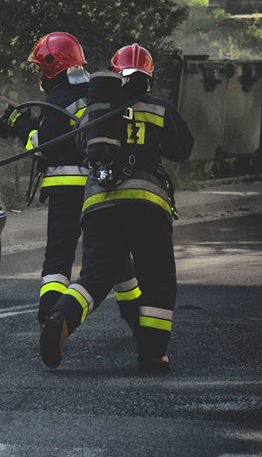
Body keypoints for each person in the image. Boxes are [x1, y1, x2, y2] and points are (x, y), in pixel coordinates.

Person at [39, 43, 194, 371]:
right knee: (156, 278)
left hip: (99, 205)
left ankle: (61, 318)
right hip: (148, 206)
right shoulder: (159, 108)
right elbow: (183, 148)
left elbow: (81, 144)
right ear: (149, 77)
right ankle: (153, 353)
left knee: (95, 275)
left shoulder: (99, 113)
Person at [0, 32, 139, 329]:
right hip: (100, 188)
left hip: (66, 189)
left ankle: (50, 317)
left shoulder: (57, 100)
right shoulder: (96, 94)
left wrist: (19, 125)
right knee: (115, 254)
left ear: (50, 66)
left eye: (39, 68)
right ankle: (137, 316)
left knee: (59, 258)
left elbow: (44, 145)